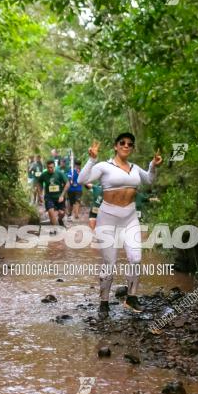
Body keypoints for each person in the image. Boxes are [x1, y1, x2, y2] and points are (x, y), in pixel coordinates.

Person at [78, 132, 162, 315]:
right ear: (116, 146)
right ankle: (104, 302)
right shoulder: (103, 166)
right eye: (122, 143)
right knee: (110, 262)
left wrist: (153, 166)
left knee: (136, 258)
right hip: (108, 217)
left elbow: (149, 179)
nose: (126, 146)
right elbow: (82, 180)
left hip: (130, 217)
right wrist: (91, 160)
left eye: (130, 144)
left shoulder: (135, 168)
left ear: (132, 148)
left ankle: (131, 298)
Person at [36, 160, 69, 227]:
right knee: (51, 212)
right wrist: (40, 194)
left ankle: (60, 220)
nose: (50, 169)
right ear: (46, 167)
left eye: (51, 167)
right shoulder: (44, 174)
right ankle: (54, 229)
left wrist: (62, 195)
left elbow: (67, 184)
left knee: (62, 213)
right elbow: (39, 183)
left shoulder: (59, 173)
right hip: (49, 197)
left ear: (54, 166)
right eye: (48, 167)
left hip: (59, 197)